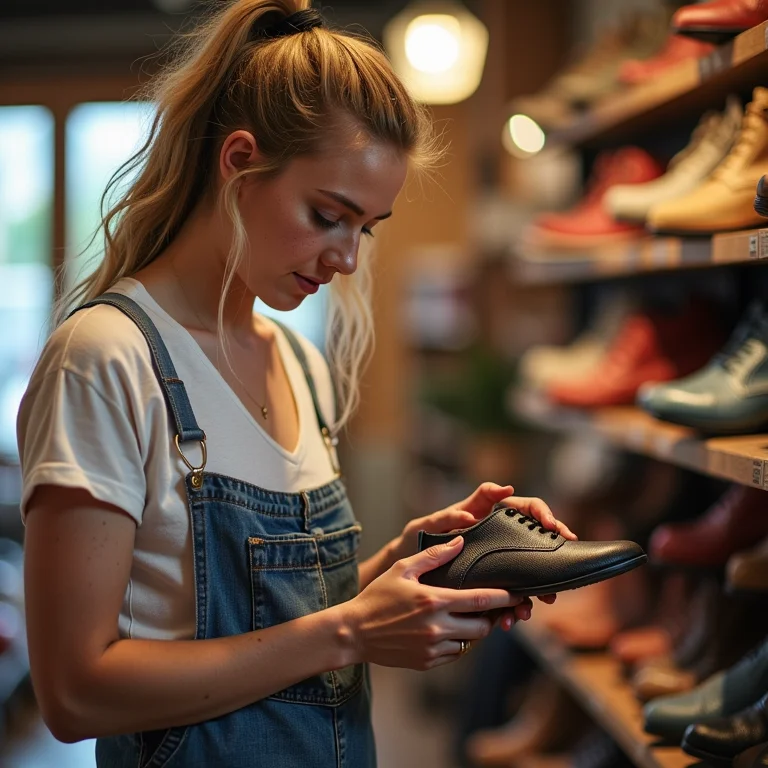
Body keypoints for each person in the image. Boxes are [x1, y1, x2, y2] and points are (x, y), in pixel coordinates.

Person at [16, 2, 575, 766]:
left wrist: (406, 566)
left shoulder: (299, 363)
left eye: (365, 228)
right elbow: (75, 692)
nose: (346, 258)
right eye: (327, 215)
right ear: (240, 161)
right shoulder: (107, 357)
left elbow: (284, 621)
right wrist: (350, 631)